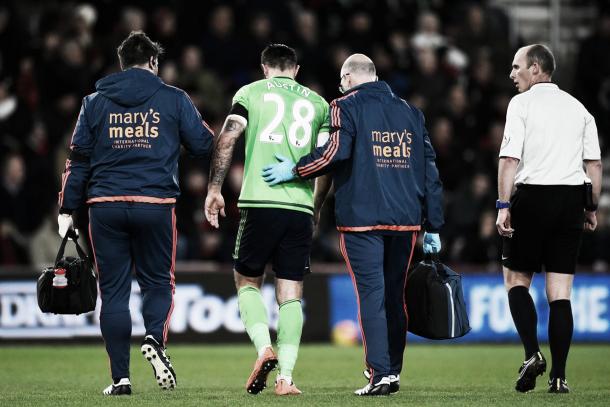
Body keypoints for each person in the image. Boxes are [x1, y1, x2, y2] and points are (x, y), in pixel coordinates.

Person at [261, 54, 444, 396]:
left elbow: (335, 153)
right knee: (394, 298)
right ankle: (393, 371)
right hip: (406, 222)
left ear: (347, 77)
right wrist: (433, 224)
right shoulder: (411, 112)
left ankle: (380, 374)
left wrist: (296, 169)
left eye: (341, 80)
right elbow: (430, 171)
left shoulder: (345, 105)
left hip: (362, 220)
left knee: (372, 297)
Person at [57, 31, 214, 395]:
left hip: (105, 207)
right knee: (158, 282)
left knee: (113, 292)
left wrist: (67, 208)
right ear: (154, 63)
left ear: (121, 64)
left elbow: (76, 160)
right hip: (155, 205)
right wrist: (167, 144)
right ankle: (154, 339)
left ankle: (120, 380)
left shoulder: (94, 102)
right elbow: (204, 144)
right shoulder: (174, 98)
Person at [204, 44, 330, 396]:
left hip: (259, 202)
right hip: (300, 208)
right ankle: (286, 379)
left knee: (246, 281)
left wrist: (215, 188)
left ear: (264, 68)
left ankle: (264, 349)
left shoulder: (250, 92)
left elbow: (227, 137)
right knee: (290, 292)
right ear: (297, 69)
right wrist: (316, 206)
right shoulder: (318, 104)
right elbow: (324, 161)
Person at [496, 44, 602, 394]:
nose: (512, 74)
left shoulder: (521, 104)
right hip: (571, 199)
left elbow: (510, 159)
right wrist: (591, 207)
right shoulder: (579, 109)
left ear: (537, 68)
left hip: (533, 196)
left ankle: (531, 354)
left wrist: (502, 204)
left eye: (516, 67)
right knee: (560, 293)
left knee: (515, 280)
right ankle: (559, 377)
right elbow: (594, 165)